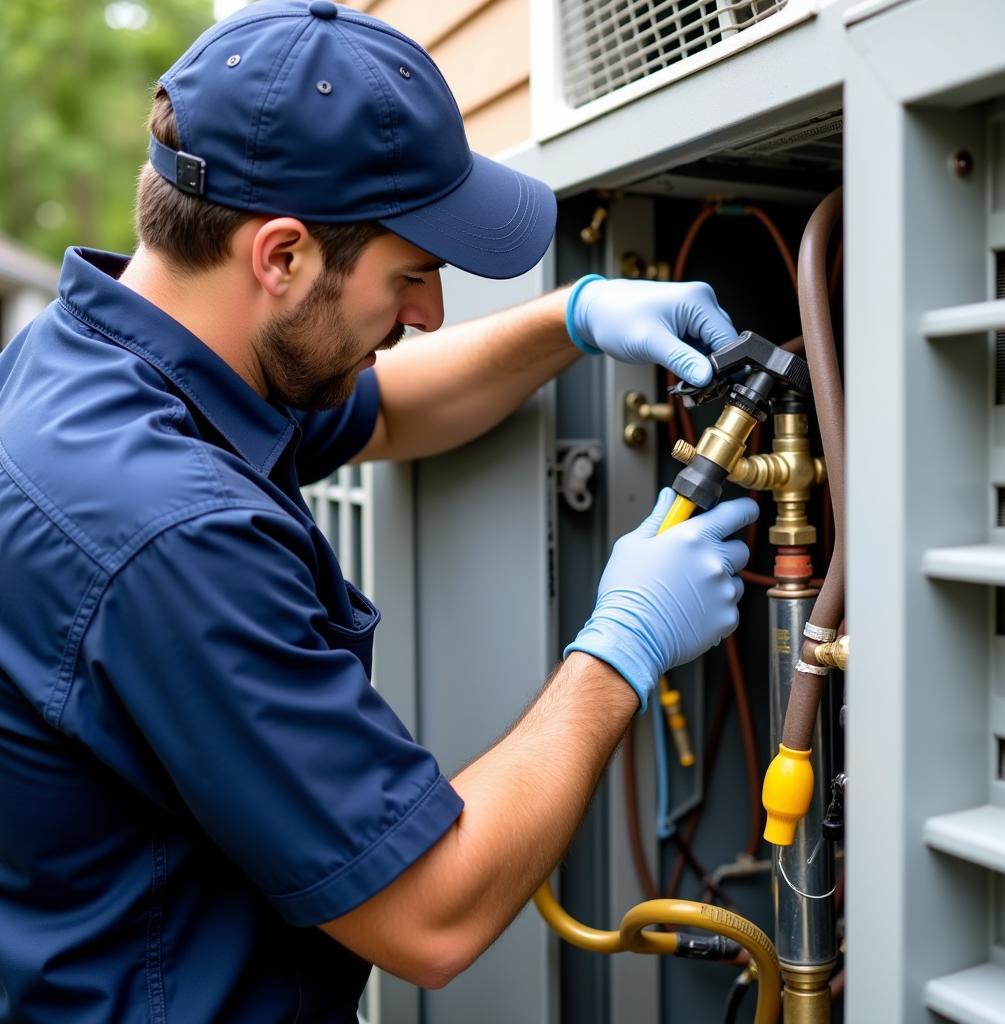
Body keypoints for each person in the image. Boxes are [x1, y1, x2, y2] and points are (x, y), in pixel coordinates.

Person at [0, 1, 756, 1020]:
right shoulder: (171, 533)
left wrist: (575, 319)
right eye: (410, 275)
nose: (429, 315)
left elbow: (389, 406)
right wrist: (623, 643)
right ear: (280, 256)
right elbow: (428, 917)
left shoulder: (96, 366)